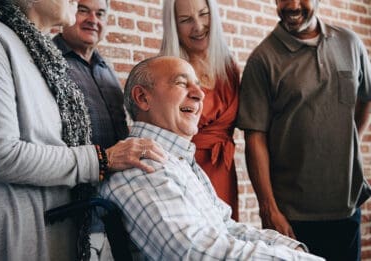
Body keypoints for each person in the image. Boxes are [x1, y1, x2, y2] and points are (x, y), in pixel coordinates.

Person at [0, 0, 165, 260]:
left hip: (58, 222)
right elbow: (2, 155)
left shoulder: (39, 52)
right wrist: (102, 159)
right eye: (83, 9)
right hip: (14, 230)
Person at [98, 55, 324, 260]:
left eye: (197, 84)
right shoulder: (141, 166)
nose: (199, 93)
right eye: (181, 83)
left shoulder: (178, 161)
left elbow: (226, 227)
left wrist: (291, 248)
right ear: (142, 98)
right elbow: (195, 253)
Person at [237, 0, 371, 260]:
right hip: (292, 218)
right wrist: (269, 210)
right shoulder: (262, 59)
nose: (293, 5)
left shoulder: (350, 43)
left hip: (346, 209)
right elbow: (254, 138)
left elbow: (366, 97)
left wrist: (353, 138)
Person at [51, 1, 166, 258]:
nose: (93, 19)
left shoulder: (106, 70)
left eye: (100, 13)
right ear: (68, 11)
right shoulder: (51, 64)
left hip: (111, 207)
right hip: (71, 209)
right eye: (84, 10)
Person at [159, 0, 240, 220]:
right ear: (174, 25)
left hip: (224, 171)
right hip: (187, 174)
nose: (198, 26)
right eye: (186, 20)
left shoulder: (228, 67)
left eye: (204, 14)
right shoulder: (166, 71)